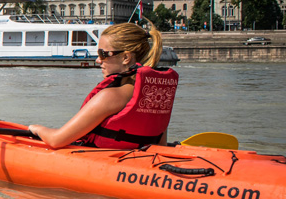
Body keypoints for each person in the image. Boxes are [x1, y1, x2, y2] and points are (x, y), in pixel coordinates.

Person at [27, 23, 178, 149]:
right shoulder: (154, 96)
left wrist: (36, 128)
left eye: (103, 54)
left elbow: (56, 140)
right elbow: (161, 145)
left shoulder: (110, 96)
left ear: (126, 57)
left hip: (101, 165)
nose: (98, 60)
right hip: (137, 166)